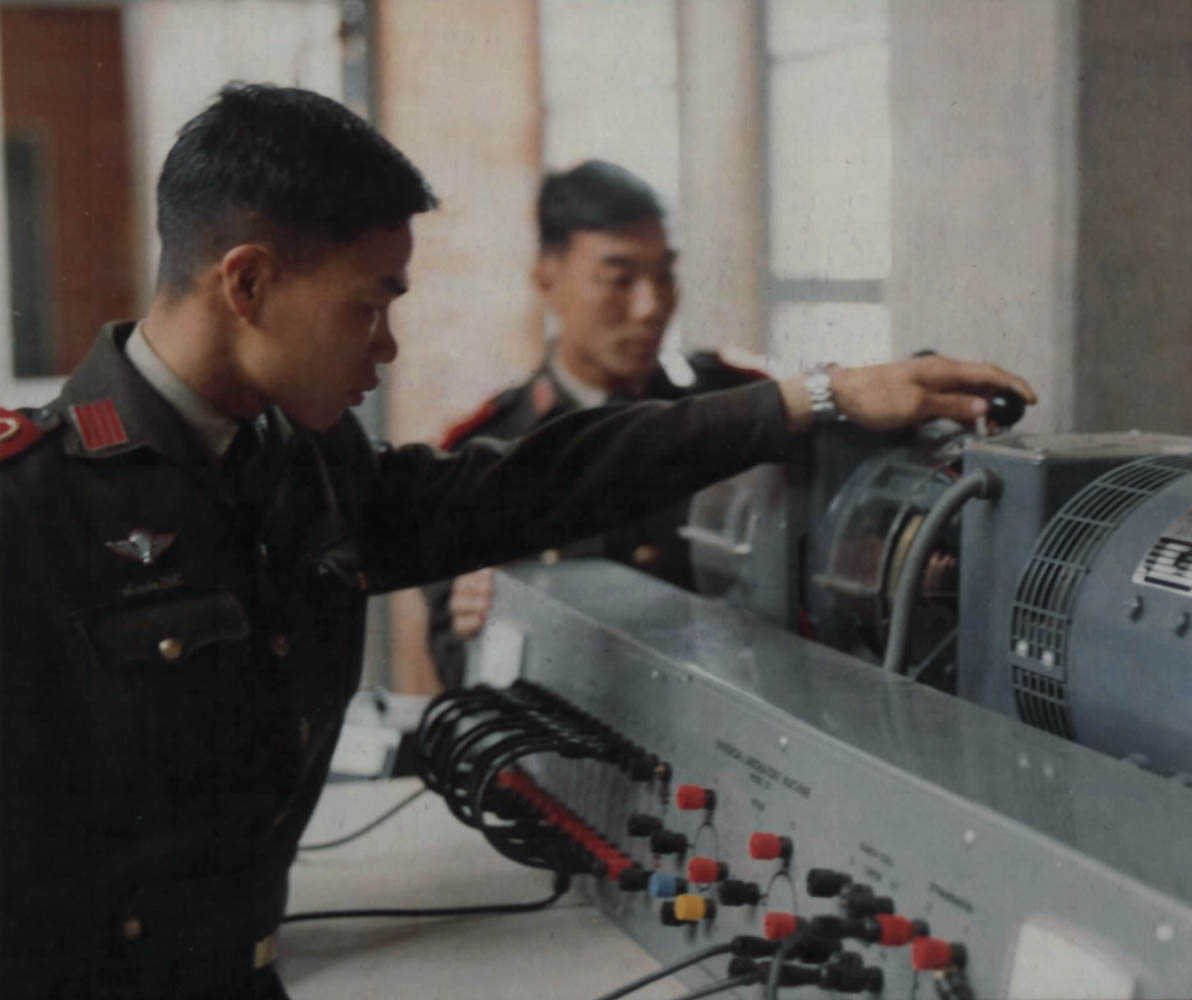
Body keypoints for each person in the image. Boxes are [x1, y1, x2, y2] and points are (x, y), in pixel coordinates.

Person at [0, 82, 1034, 999]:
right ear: (248, 283)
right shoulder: (28, 505)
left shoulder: (298, 463)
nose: (387, 345)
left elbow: (541, 478)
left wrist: (816, 398)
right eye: (369, 306)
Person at [425, 159, 770, 688]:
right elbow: (454, 657)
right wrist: (486, 625)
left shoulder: (725, 407)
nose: (650, 307)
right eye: (619, 279)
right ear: (547, 279)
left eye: (663, 275)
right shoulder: (488, 448)